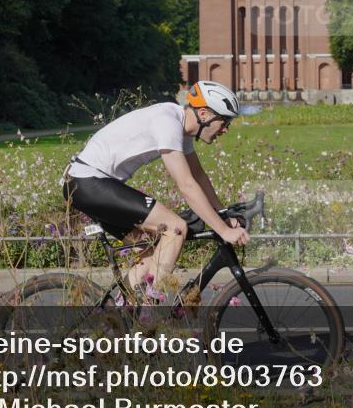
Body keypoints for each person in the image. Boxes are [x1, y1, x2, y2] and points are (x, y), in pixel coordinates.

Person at [62, 81, 249, 294]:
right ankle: (155, 313)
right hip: (88, 182)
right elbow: (186, 186)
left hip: (88, 183)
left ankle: (119, 315)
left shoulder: (180, 127)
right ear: (204, 114)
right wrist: (223, 230)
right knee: (175, 228)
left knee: (151, 248)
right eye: (224, 122)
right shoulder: (168, 123)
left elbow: (198, 176)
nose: (225, 129)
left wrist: (223, 214)